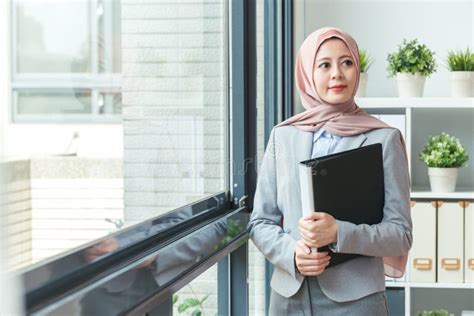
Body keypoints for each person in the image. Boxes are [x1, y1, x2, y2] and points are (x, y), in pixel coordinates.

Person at [247, 27, 413, 315]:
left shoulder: (384, 139)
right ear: (307, 73)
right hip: (289, 298)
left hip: (357, 302)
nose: (337, 73)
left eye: (346, 62)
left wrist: (339, 232)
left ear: (357, 70)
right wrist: (292, 254)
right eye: (324, 64)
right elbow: (260, 221)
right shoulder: (282, 136)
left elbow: (400, 234)